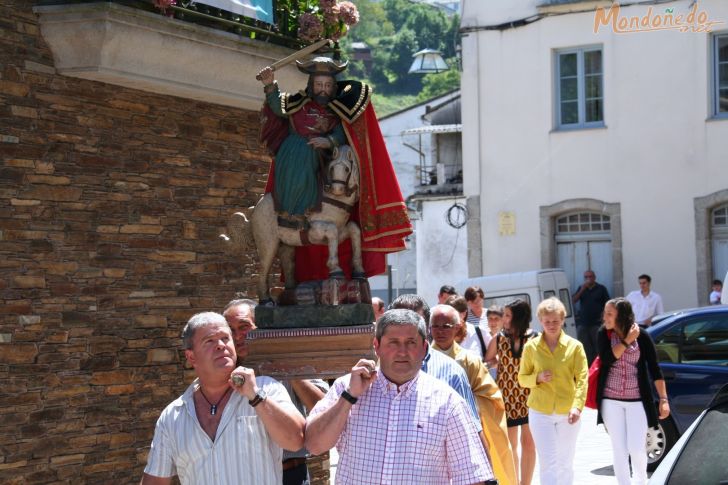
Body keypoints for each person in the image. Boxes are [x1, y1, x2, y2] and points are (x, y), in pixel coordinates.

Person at [256, 58, 411, 283]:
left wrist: (328, 141)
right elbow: (278, 105)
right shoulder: (297, 102)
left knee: (342, 169)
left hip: (326, 153)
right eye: (319, 85)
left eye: (327, 85)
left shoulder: (337, 110)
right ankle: (293, 215)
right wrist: (270, 84)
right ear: (311, 84)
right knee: (303, 168)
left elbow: (341, 133)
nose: (323, 89)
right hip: (297, 152)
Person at [305, 309, 496, 485]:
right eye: (393, 342)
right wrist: (349, 397)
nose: (402, 351)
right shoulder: (346, 388)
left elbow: (473, 477)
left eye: (411, 343)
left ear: (424, 348)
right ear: (377, 346)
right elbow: (315, 444)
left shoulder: (447, 403)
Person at [141, 312, 305, 485]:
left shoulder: (266, 389)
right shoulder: (172, 416)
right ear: (191, 357)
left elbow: (296, 441)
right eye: (209, 341)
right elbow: (155, 480)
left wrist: (255, 397)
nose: (220, 345)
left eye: (225, 338)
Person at [223, 299, 328, 485]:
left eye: (244, 326)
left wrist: (289, 372)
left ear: (261, 325)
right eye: (230, 330)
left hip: (290, 473)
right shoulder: (224, 373)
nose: (237, 336)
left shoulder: (289, 356)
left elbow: (325, 409)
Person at [430, 305, 517, 485]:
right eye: (435, 326)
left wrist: (464, 404)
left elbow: (491, 396)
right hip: (432, 429)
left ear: (456, 327)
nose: (440, 331)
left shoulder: (469, 360)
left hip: (466, 430)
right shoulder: (423, 359)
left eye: (445, 326)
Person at [596, 298, 670, 485]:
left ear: (621, 316)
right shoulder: (603, 334)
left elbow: (655, 368)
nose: (605, 317)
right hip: (610, 400)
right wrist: (628, 340)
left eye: (609, 314)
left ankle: (641, 482)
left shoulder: (642, 336)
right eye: (605, 313)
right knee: (619, 449)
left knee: (636, 449)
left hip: (637, 399)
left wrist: (663, 398)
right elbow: (607, 359)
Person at [389, 294, 484, 434]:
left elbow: (472, 428)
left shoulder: (453, 373)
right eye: (399, 323)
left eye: (414, 324)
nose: (406, 332)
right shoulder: (375, 374)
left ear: (427, 328)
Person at [518, 298, 587, 485]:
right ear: (540, 321)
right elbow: (522, 378)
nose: (551, 325)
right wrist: (537, 378)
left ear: (563, 320)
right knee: (548, 463)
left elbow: (582, 379)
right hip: (540, 412)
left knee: (565, 463)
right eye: (547, 321)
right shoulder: (531, 347)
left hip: (568, 412)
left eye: (555, 321)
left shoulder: (575, 347)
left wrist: (577, 407)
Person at [485, 299, 537, 485]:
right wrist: (495, 361)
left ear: (518, 317)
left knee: (529, 444)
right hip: (507, 397)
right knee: (511, 444)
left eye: (507, 315)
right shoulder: (499, 338)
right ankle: (513, 482)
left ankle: (526, 483)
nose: (503, 319)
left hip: (531, 397)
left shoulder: (535, 338)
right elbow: (487, 360)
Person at [572, 269, 610, 364]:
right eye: (586, 277)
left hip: (597, 323)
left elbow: (608, 304)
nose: (588, 279)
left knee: (598, 346)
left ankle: (599, 366)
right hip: (583, 323)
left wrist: (604, 317)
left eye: (590, 277)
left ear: (594, 278)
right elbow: (573, 300)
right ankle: (588, 367)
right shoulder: (581, 288)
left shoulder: (601, 289)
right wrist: (582, 290)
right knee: (585, 347)